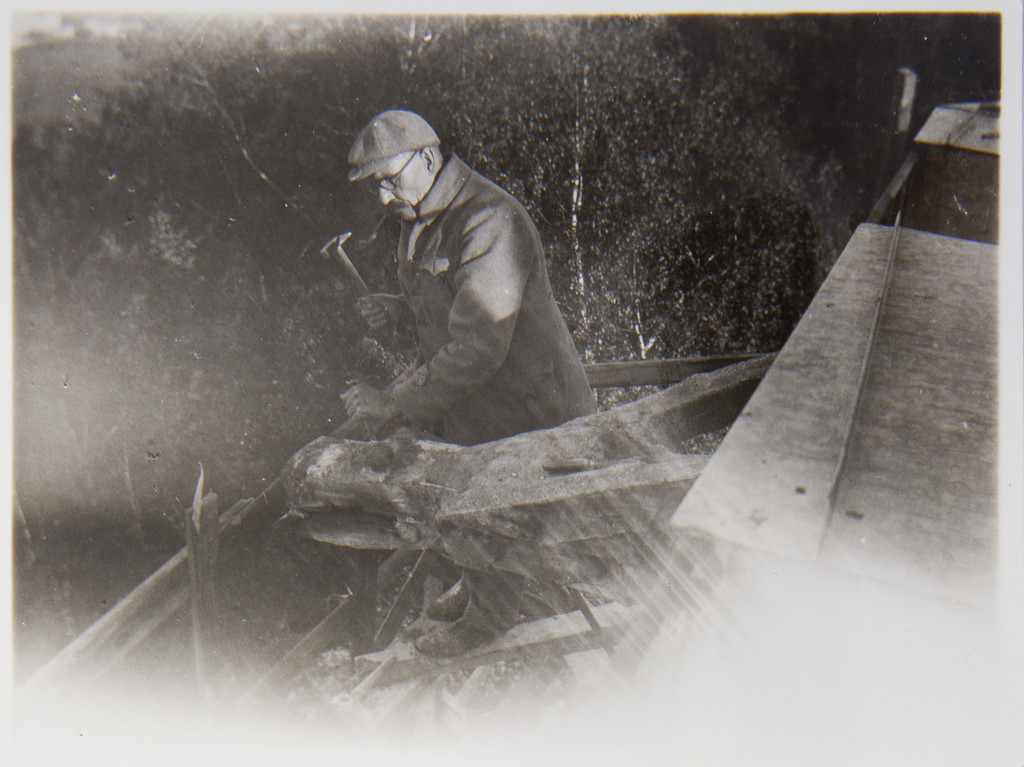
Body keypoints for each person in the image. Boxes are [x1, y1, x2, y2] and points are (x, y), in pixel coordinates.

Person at [341, 109, 597, 656]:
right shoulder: (425, 215)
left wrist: (394, 401)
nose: (384, 198)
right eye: (375, 187)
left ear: (428, 158)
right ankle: (485, 593)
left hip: (531, 407)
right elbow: (453, 302)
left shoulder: (489, 220)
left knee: (494, 505)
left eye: (390, 180)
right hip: (481, 406)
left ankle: (492, 616)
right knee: (474, 501)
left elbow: (480, 344)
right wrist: (399, 308)